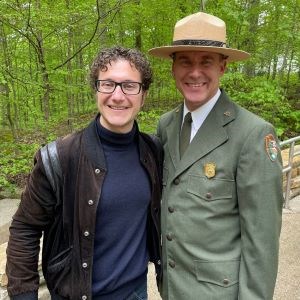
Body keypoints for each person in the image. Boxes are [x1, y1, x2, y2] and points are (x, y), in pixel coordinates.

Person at [6, 46, 162, 300]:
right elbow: (25, 228)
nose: (118, 96)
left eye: (130, 86)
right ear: (96, 90)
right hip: (78, 294)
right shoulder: (59, 158)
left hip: (135, 293)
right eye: (108, 84)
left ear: (143, 95)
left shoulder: (152, 151)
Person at [149, 12, 283, 299]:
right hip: (171, 290)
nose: (194, 72)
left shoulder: (253, 134)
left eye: (206, 61)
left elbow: (262, 242)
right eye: (185, 61)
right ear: (172, 67)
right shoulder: (167, 126)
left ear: (223, 67)